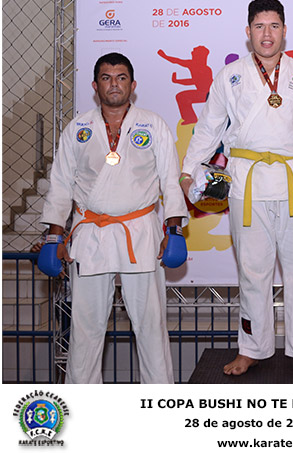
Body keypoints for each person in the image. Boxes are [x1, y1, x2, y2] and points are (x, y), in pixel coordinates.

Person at [180, 0, 293, 377]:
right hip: (247, 182)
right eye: (259, 26)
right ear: (248, 32)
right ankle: (252, 348)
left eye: (274, 26)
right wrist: (189, 170)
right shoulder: (230, 76)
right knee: (252, 272)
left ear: (284, 31)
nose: (267, 34)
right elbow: (209, 128)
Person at [38, 52, 189, 383]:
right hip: (92, 233)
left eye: (121, 78)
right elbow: (61, 184)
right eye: (106, 78)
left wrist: (174, 230)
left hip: (140, 231)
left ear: (133, 85)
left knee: (150, 326)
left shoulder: (153, 125)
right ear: (95, 86)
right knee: (85, 329)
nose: (114, 84)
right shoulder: (78, 128)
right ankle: (83, 405)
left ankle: (160, 401)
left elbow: (170, 179)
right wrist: (53, 237)